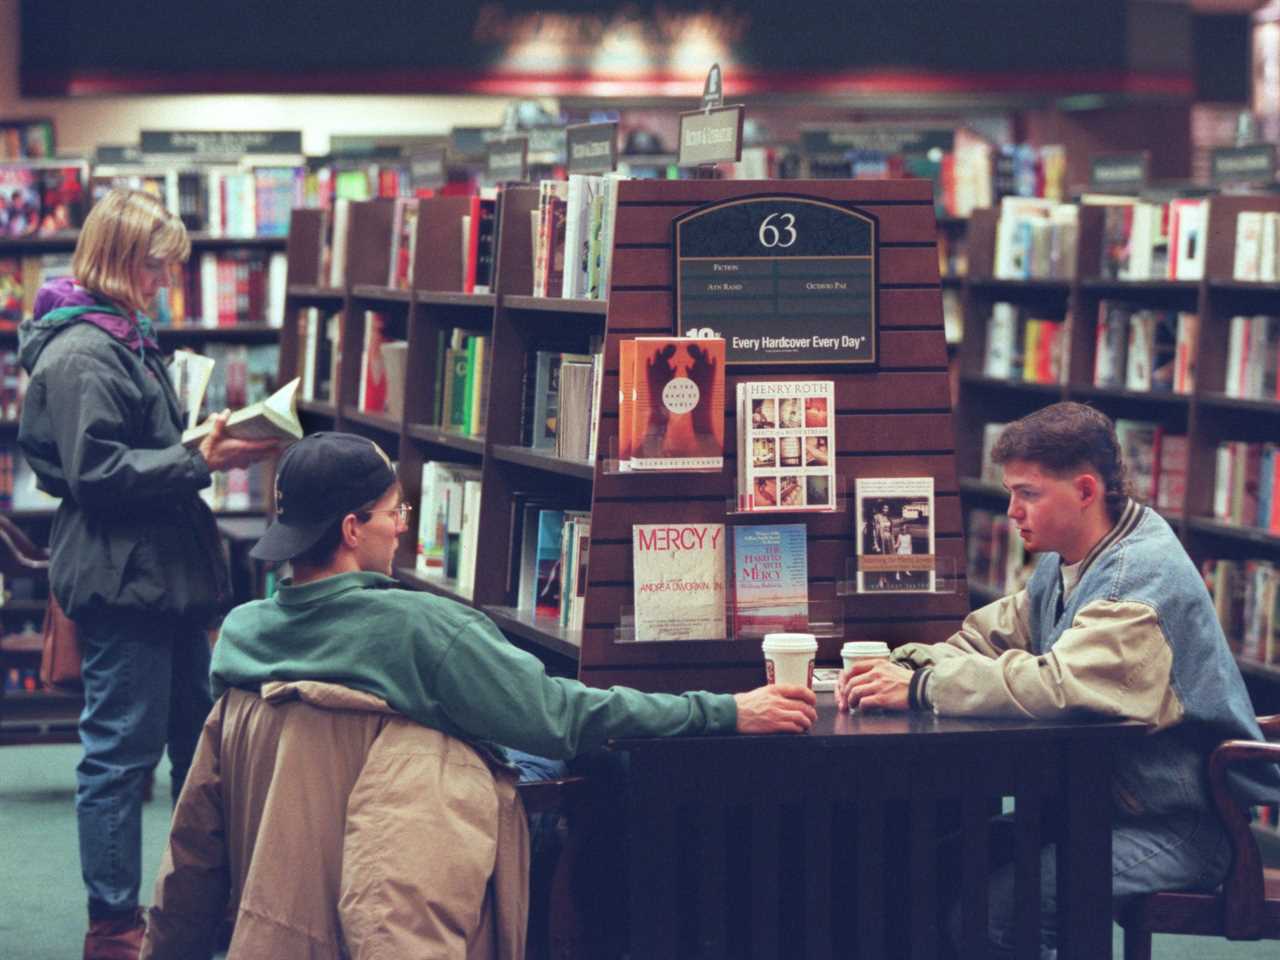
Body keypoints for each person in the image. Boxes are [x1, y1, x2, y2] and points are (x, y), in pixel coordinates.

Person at [142, 432, 818, 959]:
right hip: (399, 899)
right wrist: (725, 709)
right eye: (392, 513)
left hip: (283, 899)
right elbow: (562, 716)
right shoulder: (422, 632)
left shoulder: (242, 635)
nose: (401, 527)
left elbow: (194, 840)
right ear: (352, 529)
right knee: (603, 766)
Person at [837, 401, 1280, 959]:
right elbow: (994, 634)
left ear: (1086, 491)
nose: (1011, 510)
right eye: (1011, 492)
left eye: (1028, 493)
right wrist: (909, 666)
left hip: (1176, 827)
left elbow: (1058, 685)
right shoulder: (1072, 555)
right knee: (938, 866)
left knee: (998, 916)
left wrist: (923, 688)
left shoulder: (1134, 584)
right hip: (1098, 805)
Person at [16, 188, 279, 960]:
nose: (169, 279)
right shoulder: (84, 351)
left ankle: (193, 905)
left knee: (196, 739)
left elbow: (125, 452)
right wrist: (200, 457)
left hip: (160, 573)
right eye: (161, 265)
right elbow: (95, 473)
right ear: (125, 260)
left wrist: (197, 443)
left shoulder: (122, 335)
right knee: (119, 755)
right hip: (125, 577)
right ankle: (114, 925)